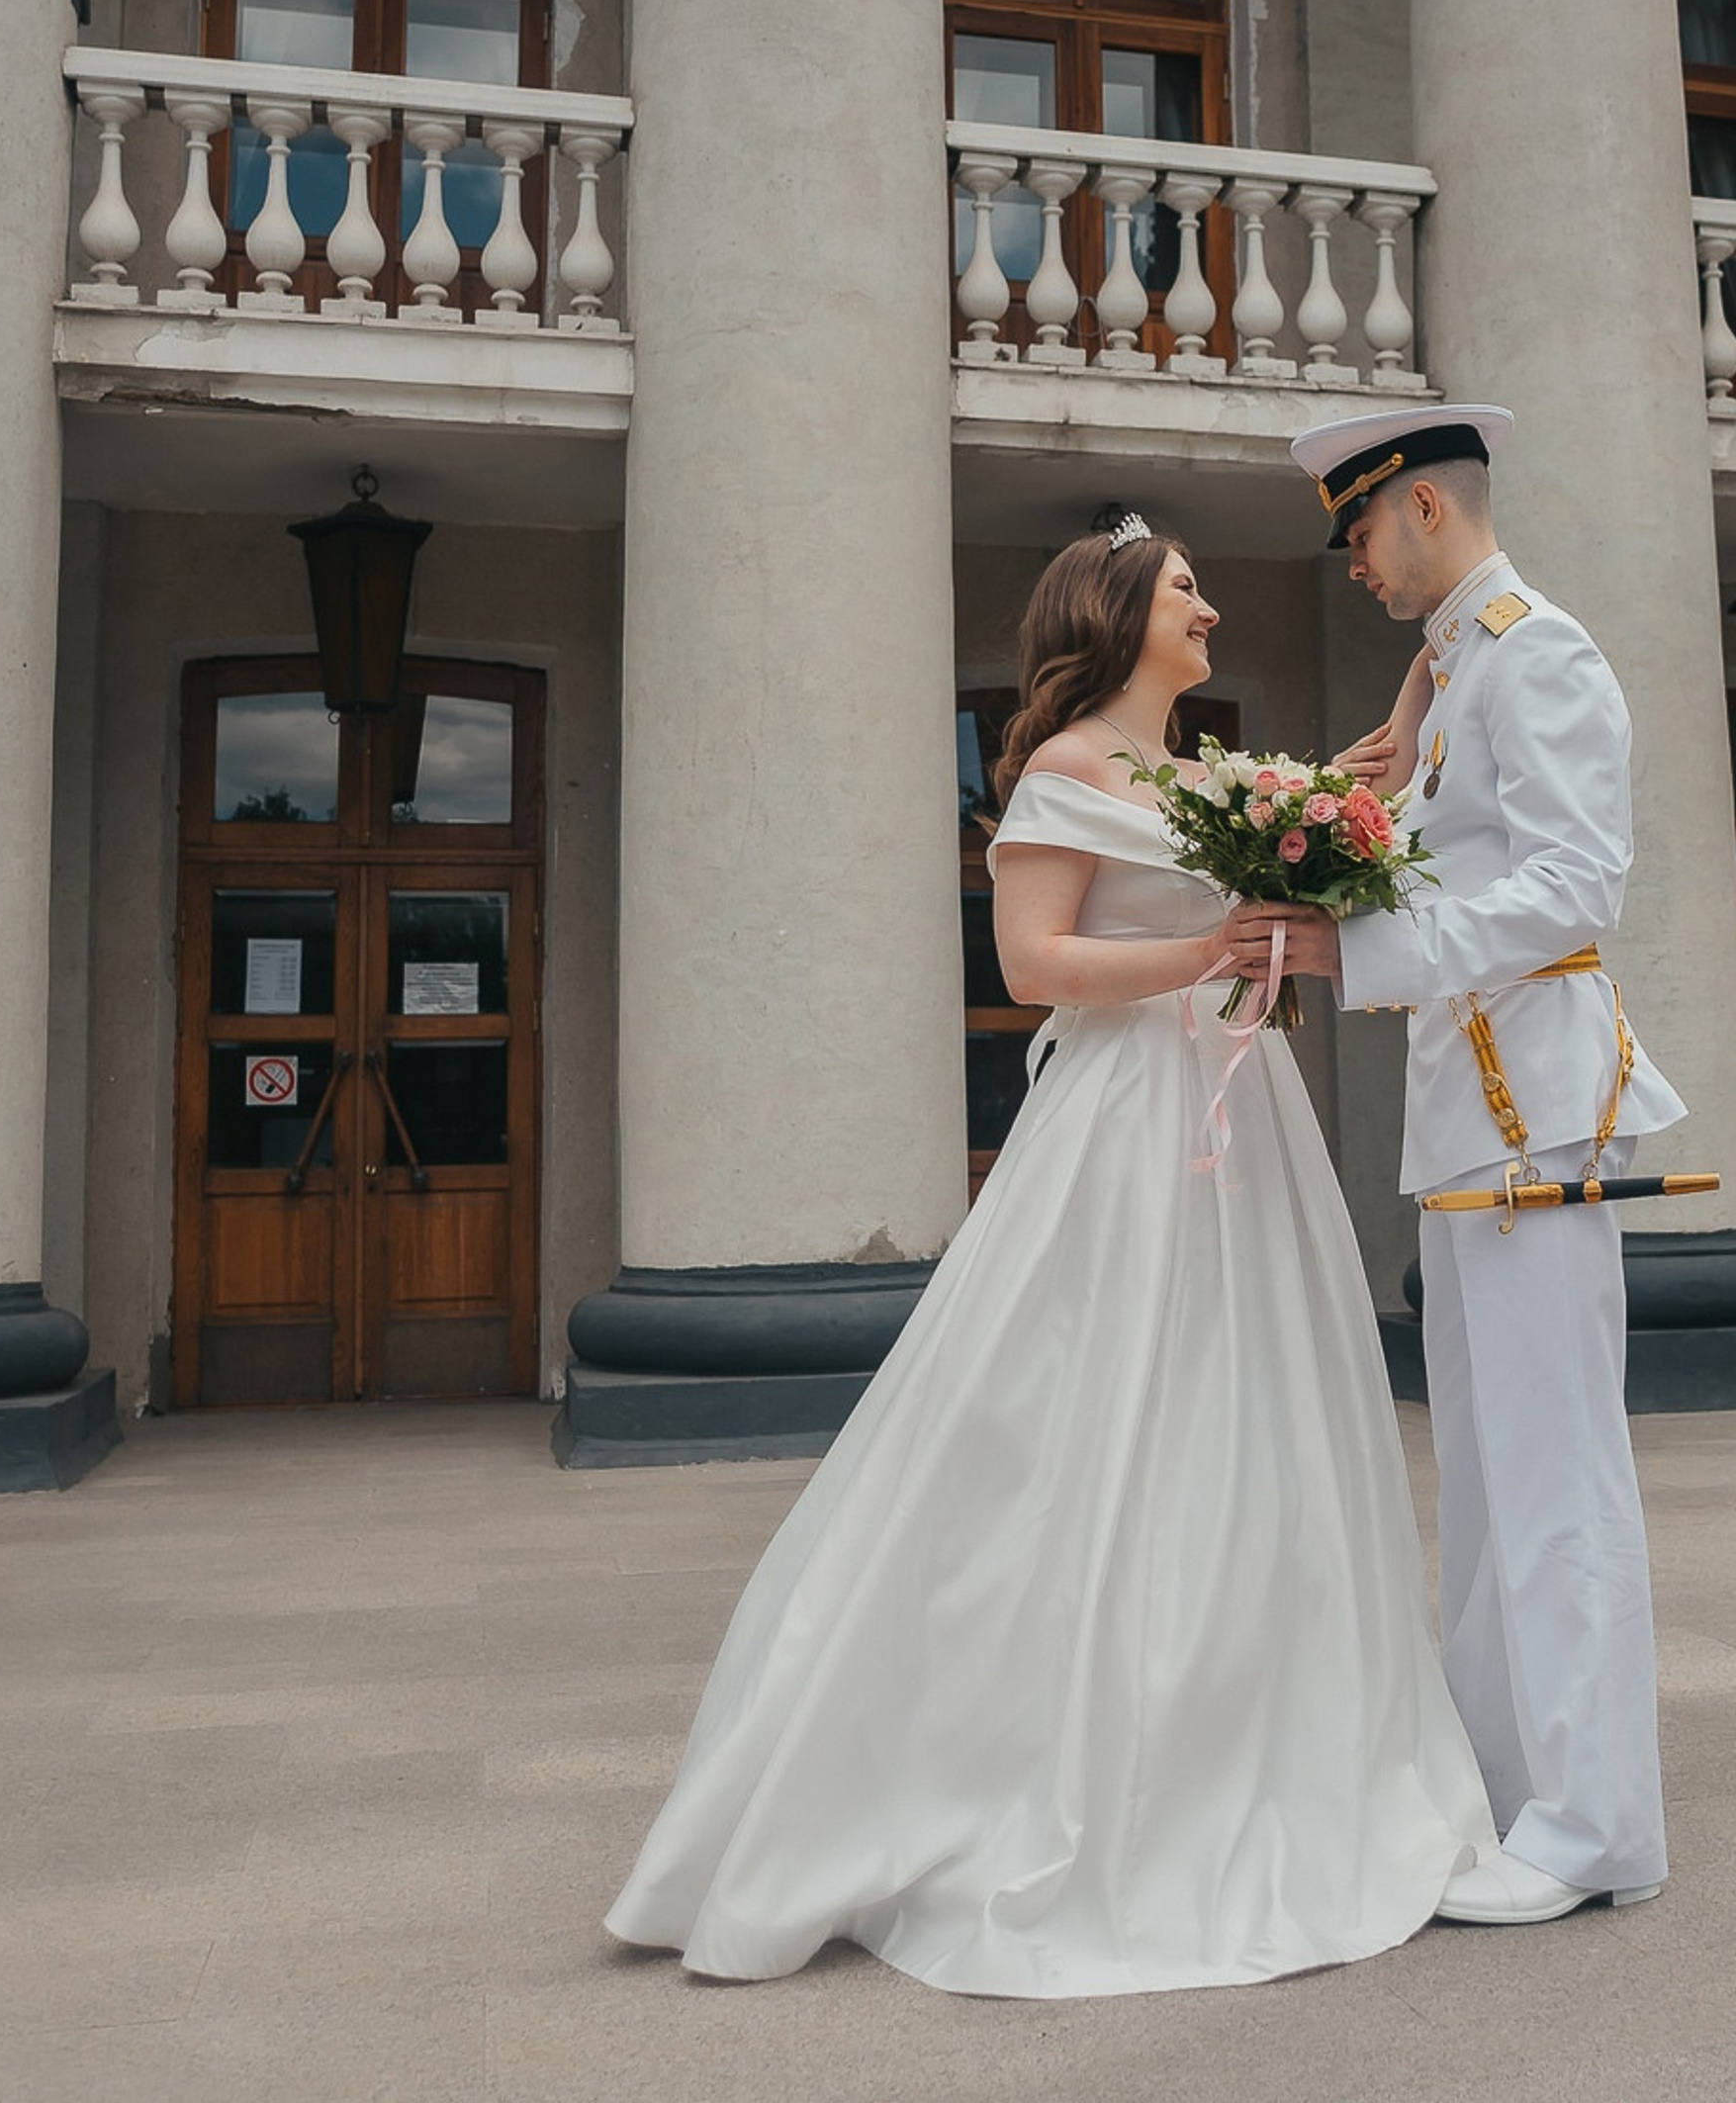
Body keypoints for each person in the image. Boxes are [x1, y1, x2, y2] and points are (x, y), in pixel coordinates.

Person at [604, 516, 1495, 1995]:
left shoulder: (1211, 779)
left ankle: (1255, 1731)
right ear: (1119, 612)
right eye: (1186, 591)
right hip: (1131, 1122)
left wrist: (1417, 693)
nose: (1209, 609)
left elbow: (1350, 796)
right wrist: (1207, 957)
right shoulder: (1065, 774)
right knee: (1075, 1419)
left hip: (1240, 1117)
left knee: (1251, 1418)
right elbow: (1036, 968)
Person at [1231, 405, 1685, 1927]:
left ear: (1421, 506)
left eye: (1357, 531)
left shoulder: (1536, 649)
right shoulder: (1462, 665)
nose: (1351, 565)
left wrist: (1349, 942)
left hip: (1539, 1110)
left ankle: (1595, 1821)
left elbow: (1572, 885)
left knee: (1558, 1477)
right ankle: (1513, 1792)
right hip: (1473, 1123)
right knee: (1490, 1482)